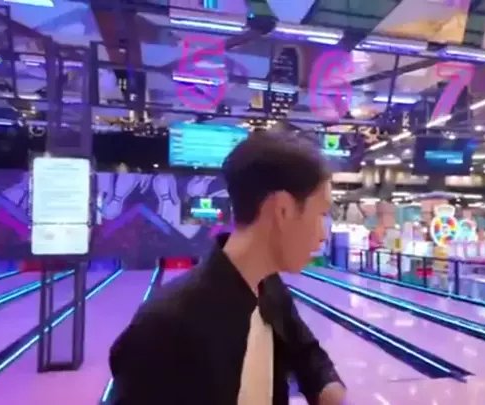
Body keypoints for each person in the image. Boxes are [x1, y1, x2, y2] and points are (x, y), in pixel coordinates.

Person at [109, 131, 348, 405]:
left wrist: (328, 389)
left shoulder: (269, 288)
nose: (323, 234)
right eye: (321, 214)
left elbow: (306, 353)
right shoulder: (165, 327)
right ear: (282, 210)